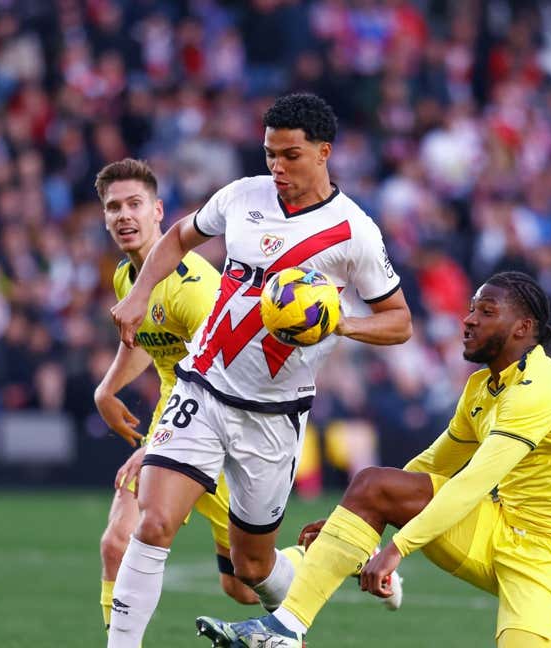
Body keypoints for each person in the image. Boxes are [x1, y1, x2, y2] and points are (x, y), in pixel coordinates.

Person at [107, 93, 412, 648]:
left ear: (324, 152)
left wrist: (339, 322)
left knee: (250, 570)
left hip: (274, 414)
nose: (277, 167)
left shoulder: (354, 233)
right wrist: (140, 294)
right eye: (270, 153)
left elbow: (399, 322)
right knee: (152, 525)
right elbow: (178, 236)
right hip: (204, 385)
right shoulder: (243, 197)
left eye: (290, 155)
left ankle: (340, 571)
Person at [196, 272, 551, 648]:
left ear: (522, 327)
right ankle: (285, 629)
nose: (467, 320)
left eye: (485, 312)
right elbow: (432, 467)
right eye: (471, 309)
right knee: (373, 486)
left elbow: (471, 483)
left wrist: (395, 550)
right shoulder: (483, 386)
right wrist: (354, 521)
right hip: (498, 525)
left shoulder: (540, 390)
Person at [94, 157, 284, 633]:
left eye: (134, 204)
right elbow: (146, 340)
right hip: (176, 419)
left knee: (245, 581)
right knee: (118, 543)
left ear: (159, 211)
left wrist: (155, 446)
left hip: (218, 429)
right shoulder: (128, 277)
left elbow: (220, 370)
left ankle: (325, 558)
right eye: (113, 207)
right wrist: (107, 389)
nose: (124, 216)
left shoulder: (193, 288)